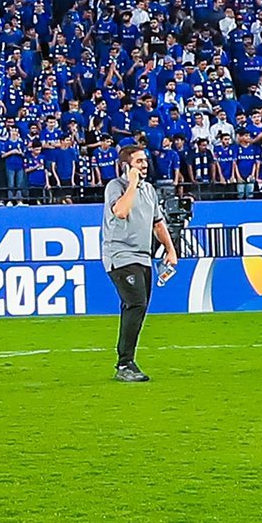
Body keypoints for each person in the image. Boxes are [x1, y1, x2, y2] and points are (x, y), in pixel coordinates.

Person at [100, 143, 161, 381]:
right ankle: (125, 364)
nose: (144, 165)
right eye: (139, 161)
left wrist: (170, 249)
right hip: (120, 254)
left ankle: (127, 361)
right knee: (135, 303)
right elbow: (121, 212)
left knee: (139, 306)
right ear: (126, 166)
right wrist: (132, 182)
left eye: (145, 160)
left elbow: (157, 222)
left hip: (144, 255)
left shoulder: (149, 190)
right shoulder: (116, 186)